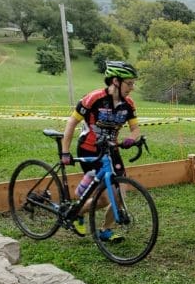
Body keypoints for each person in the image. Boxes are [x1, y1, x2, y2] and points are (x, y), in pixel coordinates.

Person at [60, 60, 141, 242]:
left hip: (111, 149)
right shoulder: (93, 98)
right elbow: (72, 123)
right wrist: (65, 152)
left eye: (133, 83)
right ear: (115, 81)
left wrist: (131, 138)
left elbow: (136, 129)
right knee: (104, 199)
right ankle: (78, 208)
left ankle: (106, 230)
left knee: (120, 193)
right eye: (129, 83)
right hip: (89, 148)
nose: (132, 87)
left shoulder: (129, 104)